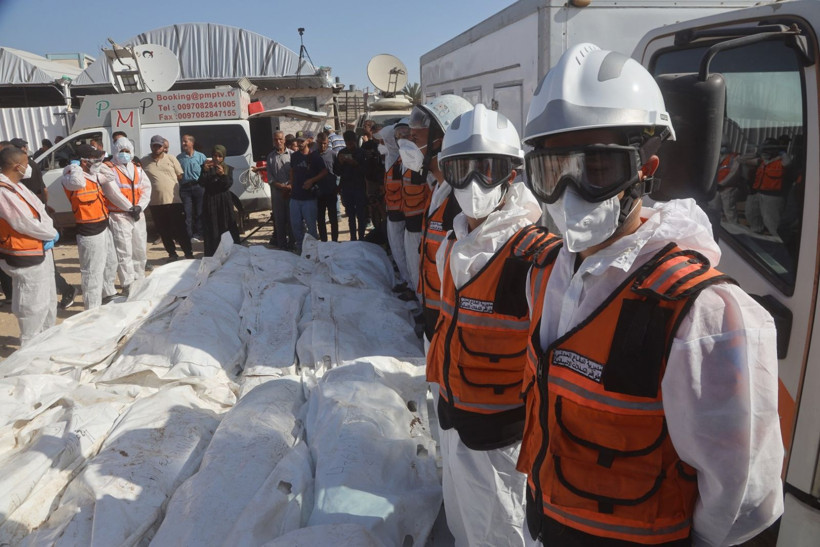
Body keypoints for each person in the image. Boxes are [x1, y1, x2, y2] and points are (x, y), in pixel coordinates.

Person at [518, 43, 784, 546]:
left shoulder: (701, 314)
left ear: (644, 168)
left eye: (595, 169)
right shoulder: (553, 275)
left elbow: (741, 502)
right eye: (554, 172)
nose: (570, 194)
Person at [427, 104, 557, 547]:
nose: (474, 184)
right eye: (461, 171)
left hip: (504, 437)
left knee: (503, 530)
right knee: (465, 522)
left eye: (488, 170)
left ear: (512, 175)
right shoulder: (454, 241)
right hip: (454, 416)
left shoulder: (535, 254)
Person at [403, 96, 473, 342]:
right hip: (434, 314)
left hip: (448, 324)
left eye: (415, 139)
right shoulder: (438, 191)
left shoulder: (460, 203)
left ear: (440, 143)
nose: (408, 146)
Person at [0, 145, 58, 346]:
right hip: (24, 253)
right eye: (26, 164)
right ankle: (30, 351)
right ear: (17, 167)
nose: (29, 168)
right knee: (31, 306)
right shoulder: (3, 192)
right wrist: (50, 233)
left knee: (46, 300)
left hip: (38, 248)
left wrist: (48, 231)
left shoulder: (18, 186)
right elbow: (22, 222)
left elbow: (40, 211)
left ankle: (46, 342)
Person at [10, 137, 77, 309]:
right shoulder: (17, 175)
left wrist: (44, 210)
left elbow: (41, 191)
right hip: (35, 216)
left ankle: (66, 289)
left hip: (35, 219)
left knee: (44, 264)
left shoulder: (28, 167)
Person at [59, 144, 118, 309]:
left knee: (110, 262)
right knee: (92, 272)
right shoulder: (70, 176)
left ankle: (107, 294)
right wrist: (75, 165)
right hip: (89, 231)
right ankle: (92, 309)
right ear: (83, 161)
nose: (99, 161)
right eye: (95, 158)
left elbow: (111, 175)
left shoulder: (93, 175)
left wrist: (99, 165)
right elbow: (78, 182)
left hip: (103, 225)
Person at [97, 137, 151, 295]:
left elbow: (146, 189)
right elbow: (112, 192)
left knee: (140, 248)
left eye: (127, 151)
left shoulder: (137, 168)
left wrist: (140, 206)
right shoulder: (109, 168)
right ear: (115, 152)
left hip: (137, 214)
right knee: (124, 250)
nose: (125, 154)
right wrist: (129, 207)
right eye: (122, 151)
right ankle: (128, 284)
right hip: (119, 215)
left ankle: (140, 278)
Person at [142, 135, 193, 262]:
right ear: (151, 146)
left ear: (163, 147)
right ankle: (172, 254)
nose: (157, 148)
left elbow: (180, 175)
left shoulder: (171, 158)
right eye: (155, 145)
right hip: (155, 203)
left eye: (159, 146)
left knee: (180, 229)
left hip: (174, 201)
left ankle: (188, 253)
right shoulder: (144, 162)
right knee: (163, 231)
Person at [379, 121, 412, 287]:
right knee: (398, 248)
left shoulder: (405, 158)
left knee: (406, 250)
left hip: (405, 212)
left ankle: (409, 281)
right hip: (395, 211)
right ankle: (407, 279)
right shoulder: (391, 158)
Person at [198, 145, 240, 256]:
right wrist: (205, 171)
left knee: (226, 225)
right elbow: (202, 183)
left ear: (223, 157)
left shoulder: (228, 168)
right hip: (210, 201)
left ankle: (230, 251)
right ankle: (213, 252)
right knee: (212, 226)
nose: (217, 158)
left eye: (220, 156)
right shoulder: (207, 167)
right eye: (214, 156)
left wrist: (222, 175)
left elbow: (227, 185)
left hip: (223, 201)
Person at [746, 136, 791, 237]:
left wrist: (782, 152)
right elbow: (742, 159)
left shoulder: (781, 161)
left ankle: (778, 240)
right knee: (752, 215)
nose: (766, 151)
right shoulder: (762, 161)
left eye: (769, 148)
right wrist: (757, 152)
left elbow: (788, 163)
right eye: (765, 148)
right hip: (759, 193)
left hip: (773, 196)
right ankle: (757, 234)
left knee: (771, 221)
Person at [288, 136, 326, 253]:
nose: (299, 143)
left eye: (302, 141)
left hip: (309, 198)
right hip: (295, 197)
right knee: (296, 226)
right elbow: (292, 171)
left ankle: (313, 251)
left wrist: (312, 181)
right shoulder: (294, 156)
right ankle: (300, 249)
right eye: (298, 141)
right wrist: (291, 185)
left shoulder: (314, 156)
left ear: (308, 142)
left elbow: (324, 171)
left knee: (311, 227)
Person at [334, 131, 368, 241]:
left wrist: (354, 163)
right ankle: (353, 238)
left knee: (361, 215)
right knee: (350, 215)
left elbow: (366, 171)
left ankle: (362, 237)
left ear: (354, 141)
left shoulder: (361, 152)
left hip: (359, 187)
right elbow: (337, 172)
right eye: (347, 143)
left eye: (351, 142)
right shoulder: (341, 153)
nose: (350, 145)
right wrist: (340, 162)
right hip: (347, 188)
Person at [264, 131, 293, 249]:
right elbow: (270, 179)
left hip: (291, 193)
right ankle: (282, 246)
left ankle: (293, 244)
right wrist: (282, 187)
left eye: (280, 139)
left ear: (284, 140)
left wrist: (290, 186)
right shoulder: (270, 157)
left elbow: (295, 174)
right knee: (279, 221)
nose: (278, 142)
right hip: (277, 195)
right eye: (276, 139)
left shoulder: (292, 155)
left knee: (292, 220)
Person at [177, 134, 207, 241]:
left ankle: (200, 233)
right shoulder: (179, 158)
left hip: (198, 187)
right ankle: (188, 236)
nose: (183, 144)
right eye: (183, 141)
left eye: (185, 141)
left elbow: (206, 171)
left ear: (192, 143)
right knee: (187, 213)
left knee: (200, 212)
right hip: (185, 189)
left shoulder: (201, 157)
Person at [315, 133, 339, 242]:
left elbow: (338, 171)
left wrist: (338, 188)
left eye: (324, 144)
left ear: (328, 143)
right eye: (320, 143)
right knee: (320, 219)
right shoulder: (313, 155)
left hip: (331, 191)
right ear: (317, 143)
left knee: (333, 218)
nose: (322, 146)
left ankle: (334, 240)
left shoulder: (333, 154)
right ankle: (324, 241)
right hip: (318, 192)